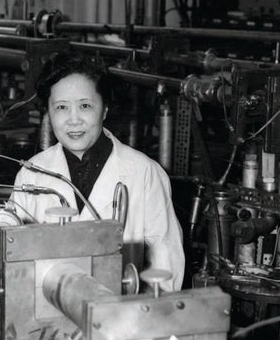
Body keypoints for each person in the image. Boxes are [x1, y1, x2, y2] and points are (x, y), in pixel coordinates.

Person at [10, 53, 185, 290]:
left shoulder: (144, 173)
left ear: (104, 110)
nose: (73, 120)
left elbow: (166, 266)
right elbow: (13, 257)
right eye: (61, 107)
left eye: (85, 106)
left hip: (120, 308)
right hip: (47, 307)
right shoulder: (32, 174)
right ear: (49, 113)